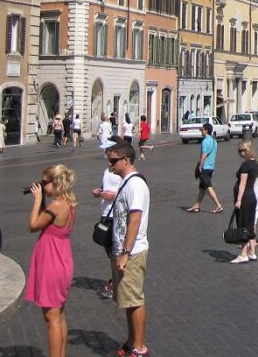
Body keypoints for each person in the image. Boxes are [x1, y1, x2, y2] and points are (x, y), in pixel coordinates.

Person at [24, 164, 77, 357]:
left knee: (51, 320)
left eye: (44, 183)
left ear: (55, 183)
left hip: (51, 262)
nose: (41, 186)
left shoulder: (56, 206)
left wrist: (38, 200)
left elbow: (33, 225)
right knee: (59, 315)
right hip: (62, 259)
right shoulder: (70, 203)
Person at [108, 142, 150, 357]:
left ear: (126, 160)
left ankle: (140, 348)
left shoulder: (135, 185)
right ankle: (132, 340)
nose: (110, 164)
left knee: (134, 300)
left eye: (114, 160)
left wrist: (125, 252)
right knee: (127, 300)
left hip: (132, 252)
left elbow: (135, 220)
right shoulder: (126, 183)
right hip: (123, 250)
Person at [93, 144, 123, 299]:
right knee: (108, 248)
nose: (109, 160)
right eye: (107, 156)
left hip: (116, 215)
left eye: (111, 157)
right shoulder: (106, 171)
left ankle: (115, 283)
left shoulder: (122, 173)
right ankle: (117, 278)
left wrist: (114, 195)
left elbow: (126, 190)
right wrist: (98, 191)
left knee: (114, 251)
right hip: (105, 213)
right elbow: (106, 186)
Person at [230, 141, 258, 263]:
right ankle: (252, 252)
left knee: (243, 225)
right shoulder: (254, 164)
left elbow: (242, 183)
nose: (239, 153)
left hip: (245, 198)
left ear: (245, 151)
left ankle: (243, 255)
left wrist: (238, 200)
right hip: (251, 197)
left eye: (240, 151)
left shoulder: (246, 165)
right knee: (250, 225)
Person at [187, 123, 224, 213]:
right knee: (202, 188)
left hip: (205, 167)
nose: (201, 131)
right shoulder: (214, 141)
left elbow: (204, 155)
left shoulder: (205, 141)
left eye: (202, 129)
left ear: (206, 130)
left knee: (208, 187)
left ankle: (219, 205)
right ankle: (197, 205)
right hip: (211, 167)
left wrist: (200, 166)